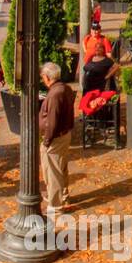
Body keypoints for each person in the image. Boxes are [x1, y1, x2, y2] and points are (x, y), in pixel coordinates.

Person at [40, 60, 77, 216]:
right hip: (64, 134)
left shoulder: (55, 94)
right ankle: (63, 196)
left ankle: (55, 205)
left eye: (43, 77)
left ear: (48, 77)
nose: (42, 79)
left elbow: (52, 120)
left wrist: (47, 141)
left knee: (53, 171)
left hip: (56, 137)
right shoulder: (66, 88)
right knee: (61, 167)